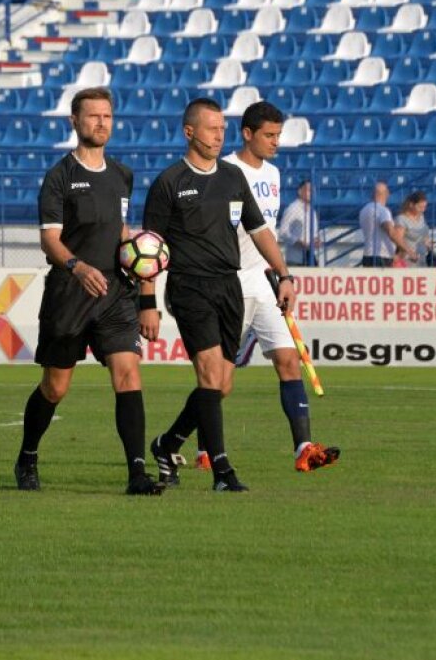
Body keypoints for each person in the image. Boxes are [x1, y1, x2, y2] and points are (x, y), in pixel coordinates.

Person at [142, 97, 297, 493]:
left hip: (229, 287)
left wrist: (284, 275)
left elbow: (260, 230)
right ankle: (223, 471)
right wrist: (148, 303)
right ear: (190, 132)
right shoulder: (169, 183)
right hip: (190, 287)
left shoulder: (232, 177)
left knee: (221, 385)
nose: (218, 136)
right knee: (211, 375)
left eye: (222, 129)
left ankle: (167, 443)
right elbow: (149, 249)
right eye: (212, 129)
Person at [13, 87, 162, 496]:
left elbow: (123, 234)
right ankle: (27, 456)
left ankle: (137, 473)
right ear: (74, 122)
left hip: (115, 294)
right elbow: (50, 240)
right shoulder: (59, 177)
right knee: (56, 386)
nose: (101, 123)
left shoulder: (122, 175)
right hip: (70, 293)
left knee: (128, 374)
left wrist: (146, 294)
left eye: (107, 116)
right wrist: (78, 267)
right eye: (93, 116)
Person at [201, 101, 339, 474]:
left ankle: (304, 448)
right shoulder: (224, 170)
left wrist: (282, 276)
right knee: (221, 381)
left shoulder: (275, 174)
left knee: (287, 360)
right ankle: (194, 445)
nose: (276, 142)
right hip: (231, 285)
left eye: (279, 135)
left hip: (265, 283)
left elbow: (268, 232)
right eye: (269, 135)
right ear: (247, 134)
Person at [359, 181, 415, 268]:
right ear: (386, 194)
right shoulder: (383, 211)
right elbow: (391, 232)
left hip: (367, 255)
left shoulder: (364, 210)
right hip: (381, 256)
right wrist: (409, 250)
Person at [277, 179, 319, 267]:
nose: (311, 193)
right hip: (295, 258)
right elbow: (283, 232)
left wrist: (316, 240)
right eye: (308, 190)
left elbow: (314, 233)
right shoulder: (292, 208)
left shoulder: (313, 211)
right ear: (300, 192)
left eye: (313, 191)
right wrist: (297, 242)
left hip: (310, 256)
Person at [395, 191, 433, 269]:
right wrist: (409, 252)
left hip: (421, 258)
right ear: (411, 205)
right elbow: (398, 240)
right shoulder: (402, 219)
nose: (422, 210)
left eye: (424, 207)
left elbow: (424, 233)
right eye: (420, 207)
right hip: (408, 260)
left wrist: (427, 242)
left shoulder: (421, 217)